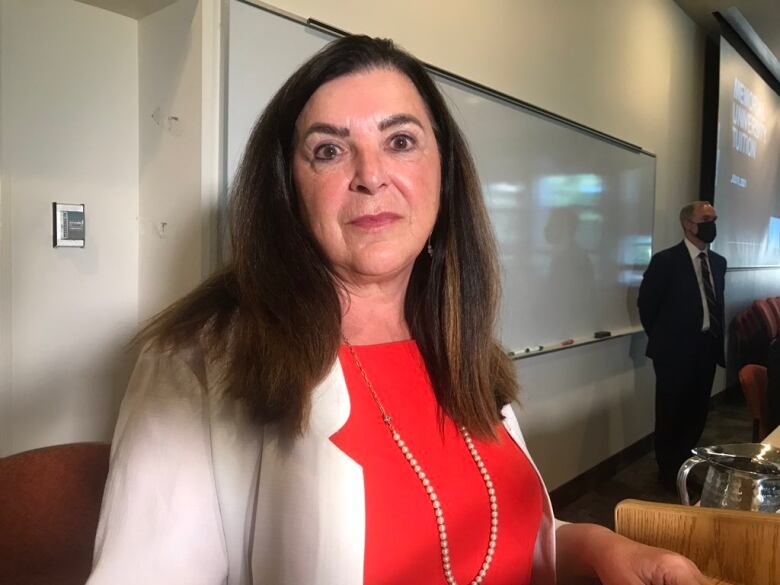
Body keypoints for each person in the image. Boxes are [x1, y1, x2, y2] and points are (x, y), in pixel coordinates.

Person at [87, 36, 711, 585]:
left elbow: (492, 543)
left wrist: (600, 547)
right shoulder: (198, 364)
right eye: (328, 151)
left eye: (401, 141)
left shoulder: (461, 343)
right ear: (287, 189)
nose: (370, 175)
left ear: (443, 172)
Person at [638, 201, 726, 489]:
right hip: (674, 352)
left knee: (696, 412)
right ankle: (667, 473)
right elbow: (647, 306)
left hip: (706, 348)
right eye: (705, 218)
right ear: (688, 224)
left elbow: (715, 303)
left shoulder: (717, 262)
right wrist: (666, 340)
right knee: (670, 412)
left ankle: (685, 468)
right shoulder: (665, 261)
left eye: (714, 218)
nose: (711, 224)